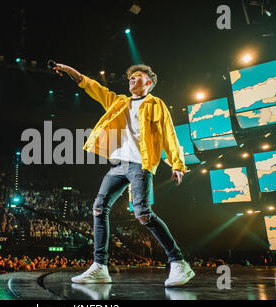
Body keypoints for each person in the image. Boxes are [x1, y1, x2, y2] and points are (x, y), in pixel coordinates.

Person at [52, 62, 195, 287]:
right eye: (130, 77)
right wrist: (75, 74)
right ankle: (100, 267)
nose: (131, 79)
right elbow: (95, 88)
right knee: (99, 208)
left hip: (140, 164)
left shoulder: (156, 104)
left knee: (142, 214)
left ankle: (179, 263)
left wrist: (177, 163)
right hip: (118, 165)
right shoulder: (119, 102)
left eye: (137, 77)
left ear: (149, 82)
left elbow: (169, 133)